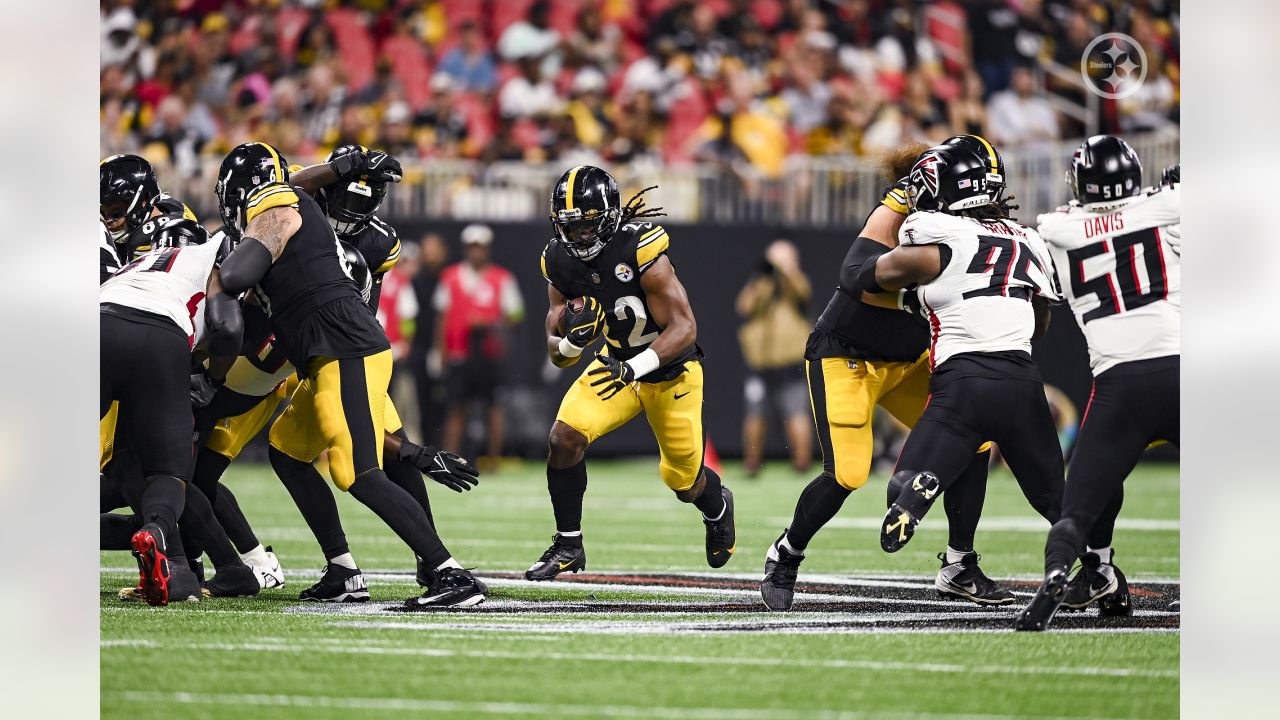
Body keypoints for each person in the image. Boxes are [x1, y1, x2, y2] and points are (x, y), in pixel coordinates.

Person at [214, 142, 486, 609]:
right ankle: (342, 570)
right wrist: (342, 166)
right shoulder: (300, 197)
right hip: (325, 353)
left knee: (356, 471)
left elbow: (239, 271)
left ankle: (450, 573)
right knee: (287, 451)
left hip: (344, 347)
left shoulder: (286, 209)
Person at [759, 137, 1012, 612]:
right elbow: (856, 277)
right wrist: (922, 291)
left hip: (910, 357)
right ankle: (786, 553)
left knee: (974, 443)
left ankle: (959, 565)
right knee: (850, 474)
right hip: (848, 354)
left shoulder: (981, 222)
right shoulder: (900, 207)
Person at [839, 144, 1064, 564]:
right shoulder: (1029, 239)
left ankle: (928, 481)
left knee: (901, 483)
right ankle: (1100, 570)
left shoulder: (936, 236)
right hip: (1023, 382)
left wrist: (916, 297)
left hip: (963, 383)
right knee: (1057, 502)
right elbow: (1040, 323)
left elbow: (858, 276)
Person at [526, 165, 736, 581]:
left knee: (683, 481)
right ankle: (569, 544)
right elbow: (557, 355)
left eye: (585, 227)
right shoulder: (557, 259)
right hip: (614, 363)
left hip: (670, 373)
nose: (576, 237)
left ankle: (718, 506)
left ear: (607, 218)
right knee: (564, 438)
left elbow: (684, 328)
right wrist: (571, 342)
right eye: (568, 227)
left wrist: (635, 367)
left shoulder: (641, 248)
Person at [1016, 138, 1180, 631]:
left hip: (1118, 385)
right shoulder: (1167, 207)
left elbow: (1070, 224)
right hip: (1182, 367)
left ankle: (1063, 573)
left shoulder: (1055, 227)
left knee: (1076, 511)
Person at [100, 210, 245, 606]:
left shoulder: (135, 263)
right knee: (168, 473)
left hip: (98, 321)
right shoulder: (215, 251)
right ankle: (159, 534)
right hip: (162, 334)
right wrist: (213, 377)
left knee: (114, 459)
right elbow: (228, 328)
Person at [436, 224, 524, 466]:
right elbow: (442, 316)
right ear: (466, 249)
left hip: (490, 353)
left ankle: (493, 460)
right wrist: (440, 351)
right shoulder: (451, 277)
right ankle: (449, 460)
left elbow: (516, 314)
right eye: (473, 247)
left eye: (481, 247)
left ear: (487, 249)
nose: (476, 252)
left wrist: (491, 322)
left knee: (493, 407)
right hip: (459, 352)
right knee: (456, 407)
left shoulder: (502, 278)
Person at [735, 239, 813, 474]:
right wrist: (762, 277)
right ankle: (751, 462)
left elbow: (803, 292)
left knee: (796, 412)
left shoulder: (796, 284)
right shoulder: (761, 284)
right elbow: (744, 307)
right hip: (761, 364)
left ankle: (802, 462)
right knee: (755, 413)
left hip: (789, 363)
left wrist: (788, 269)